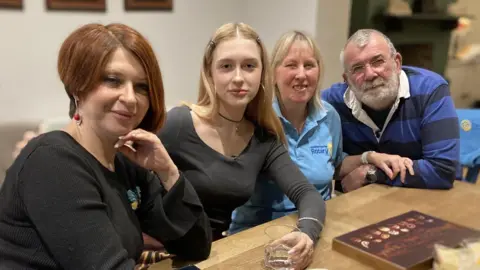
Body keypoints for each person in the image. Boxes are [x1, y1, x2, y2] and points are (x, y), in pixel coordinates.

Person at [0, 23, 211, 270]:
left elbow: (196, 246)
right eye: (113, 80)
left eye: (142, 87)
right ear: (78, 85)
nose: (130, 98)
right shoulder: (51, 162)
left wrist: (169, 173)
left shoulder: (126, 161)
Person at [158, 23, 325, 269]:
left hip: (220, 255)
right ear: (210, 72)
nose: (238, 78)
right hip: (169, 255)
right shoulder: (178, 124)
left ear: (262, 73)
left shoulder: (263, 138)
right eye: (226, 66)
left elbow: (308, 194)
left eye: (249, 66)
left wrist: (307, 233)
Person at [228, 31, 412, 233]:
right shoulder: (255, 119)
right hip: (259, 231)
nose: (301, 74)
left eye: (309, 65)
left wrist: (371, 157)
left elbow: (333, 165)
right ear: (273, 73)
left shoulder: (329, 115)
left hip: (317, 224)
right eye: (291, 65)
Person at [321, 28, 460, 192]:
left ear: (397, 62)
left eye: (377, 61)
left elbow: (442, 170)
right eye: (358, 68)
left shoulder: (430, 90)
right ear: (346, 80)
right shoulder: (332, 104)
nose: (370, 74)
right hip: (360, 205)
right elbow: (319, 162)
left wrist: (372, 173)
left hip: (426, 199)